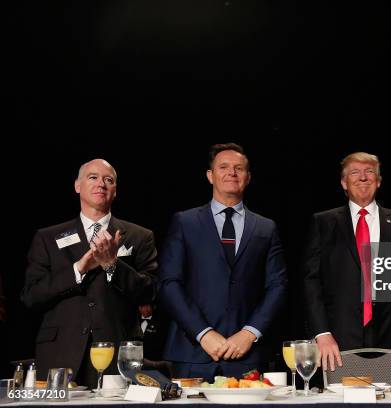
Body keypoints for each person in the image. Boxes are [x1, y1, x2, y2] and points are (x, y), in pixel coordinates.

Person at [21, 159, 158, 388]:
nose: (101, 184)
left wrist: (113, 265)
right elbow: (31, 296)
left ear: (115, 191)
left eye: (108, 180)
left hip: (118, 356)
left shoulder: (139, 236)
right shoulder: (47, 237)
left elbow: (150, 291)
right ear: (77, 186)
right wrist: (78, 269)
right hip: (60, 353)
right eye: (93, 177)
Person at [158, 143, 287, 381]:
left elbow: (277, 286)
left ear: (248, 177)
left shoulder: (266, 228)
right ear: (210, 175)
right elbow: (169, 283)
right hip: (192, 352)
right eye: (224, 167)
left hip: (248, 354)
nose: (232, 172)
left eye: (239, 168)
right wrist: (203, 333)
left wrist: (249, 333)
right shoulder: (184, 222)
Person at [303, 152, 391, 371]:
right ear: (343, 182)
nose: (363, 177)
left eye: (369, 172)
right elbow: (311, 281)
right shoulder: (322, 222)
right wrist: (321, 334)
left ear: (378, 181)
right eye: (354, 172)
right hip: (336, 344)